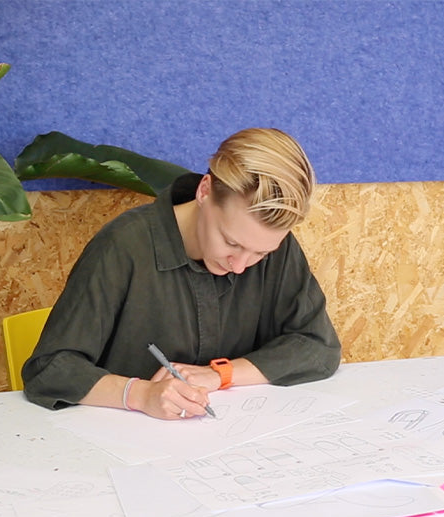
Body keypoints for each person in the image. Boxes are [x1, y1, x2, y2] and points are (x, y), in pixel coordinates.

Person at [22, 128, 341, 419]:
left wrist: (221, 374)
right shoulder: (124, 246)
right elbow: (50, 369)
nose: (241, 265)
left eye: (261, 253)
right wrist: (141, 394)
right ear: (204, 191)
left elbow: (317, 346)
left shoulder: (276, 247)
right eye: (231, 242)